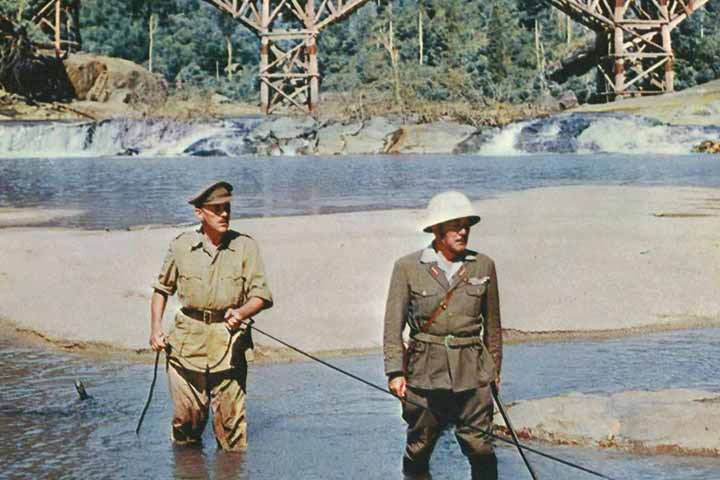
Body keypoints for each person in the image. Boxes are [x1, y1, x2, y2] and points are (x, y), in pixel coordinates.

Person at [383, 191, 502, 479]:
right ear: (436, 229)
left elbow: (494, 328)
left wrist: (494, 371)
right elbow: (392, 325)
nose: (463, 231)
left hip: (472, 373)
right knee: (420, 446)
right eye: (455, 225)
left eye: (466, 225)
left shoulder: (483, 265)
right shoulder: (408, 267)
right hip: (424, 374)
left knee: (480, 447)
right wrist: (395, 373)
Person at [149, 180, 273, 451]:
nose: (225, 214)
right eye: (216, 209)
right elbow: (161, 290)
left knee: (232, 431)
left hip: (229, 345)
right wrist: (155, 328)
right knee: (186, 423)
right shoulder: (180, 247)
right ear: (200, 213)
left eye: (227, 208)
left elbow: (261, 295)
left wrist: (241, 312)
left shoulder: (245, 247)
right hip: (185, 346)